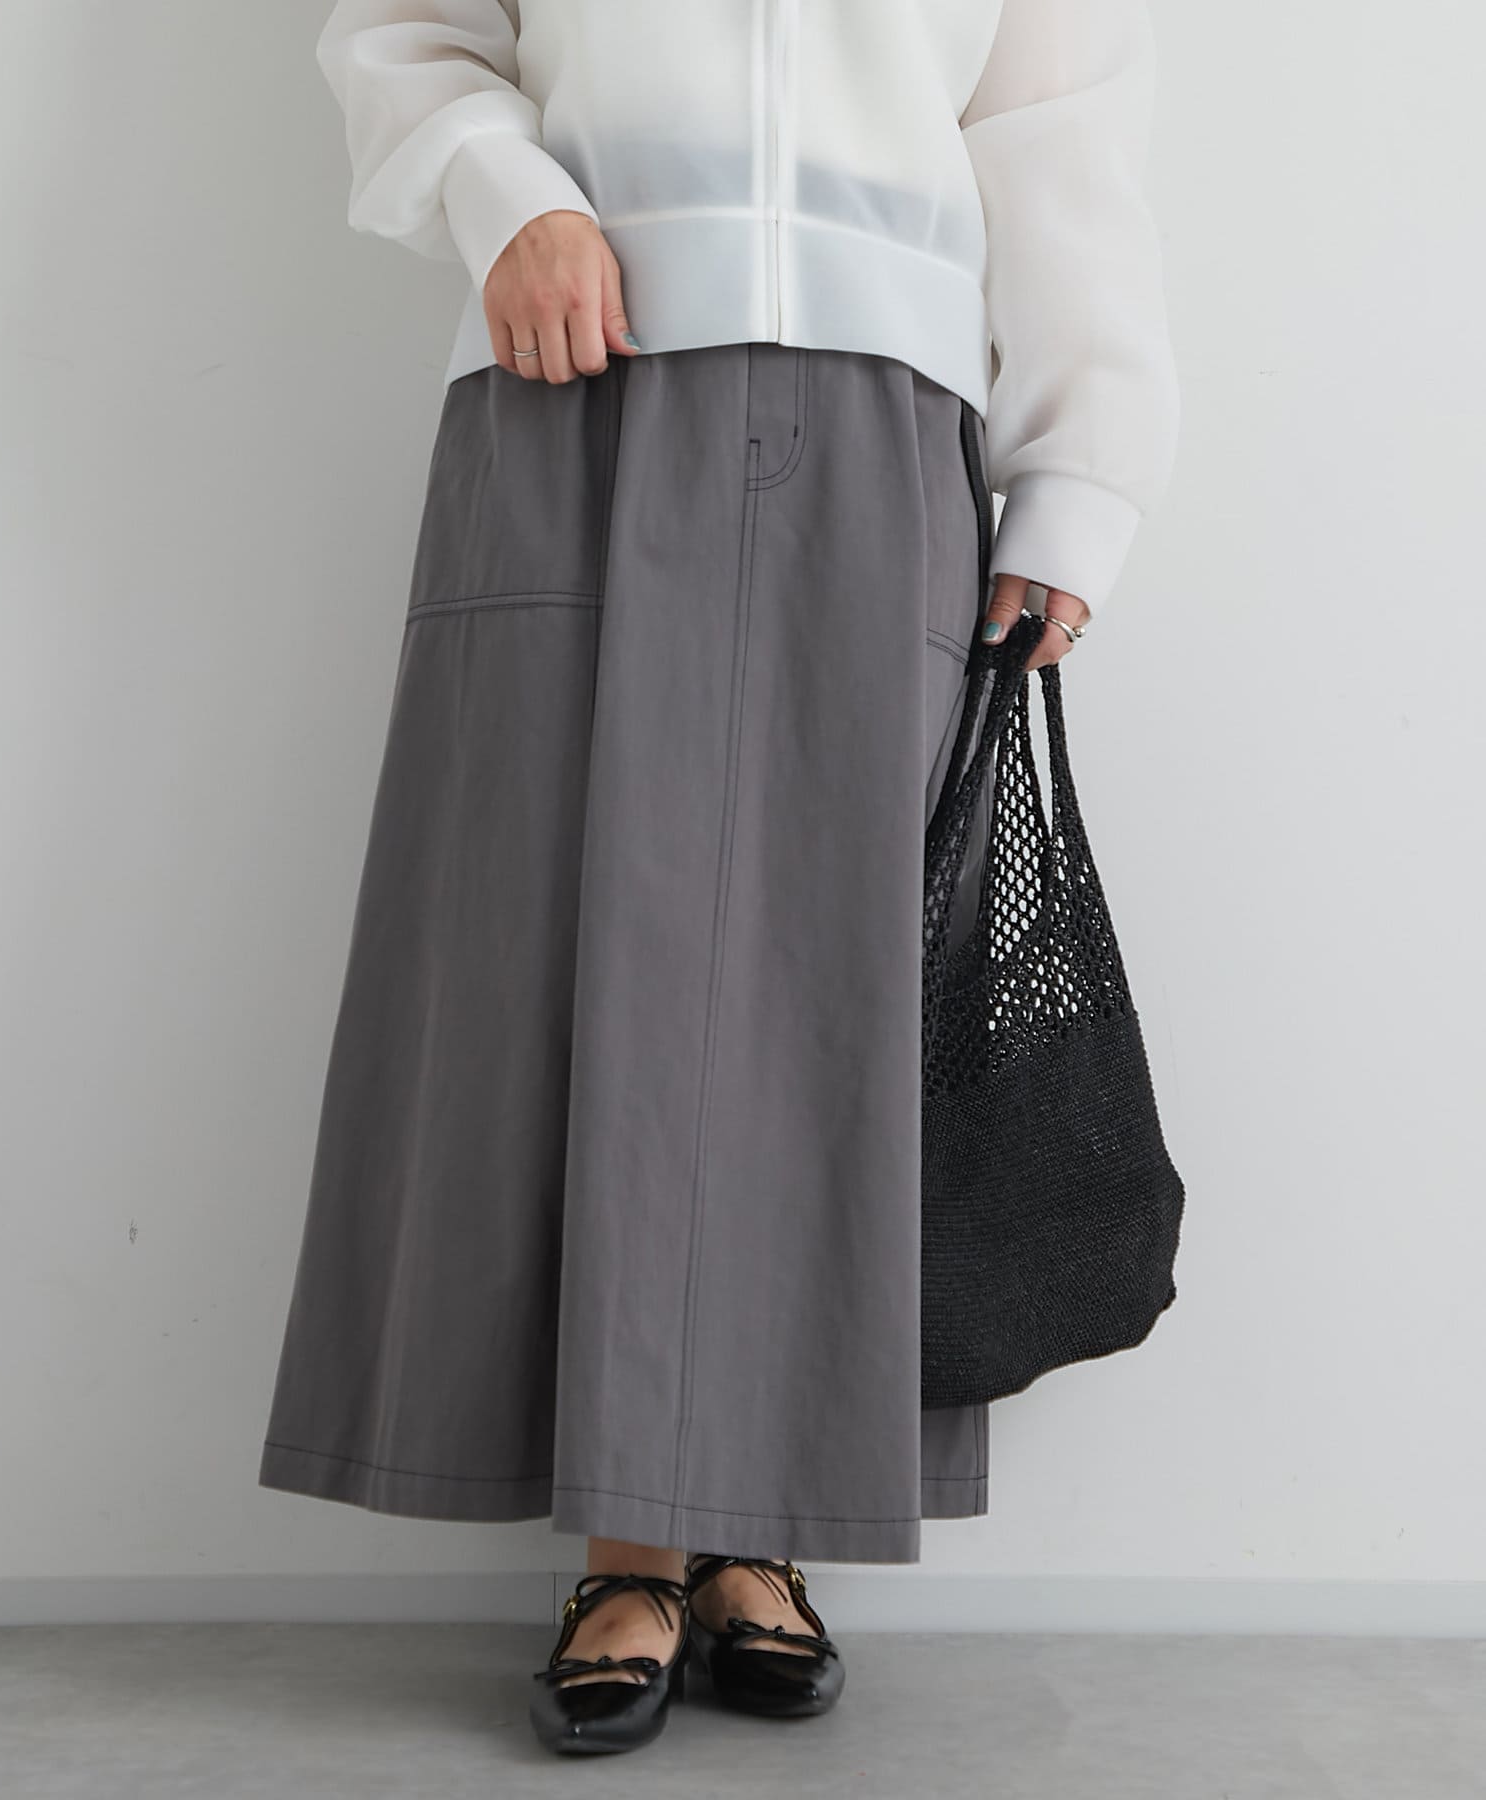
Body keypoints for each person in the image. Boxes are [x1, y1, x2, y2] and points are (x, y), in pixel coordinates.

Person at [258, 0, 1180, 1759]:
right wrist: (505, 193)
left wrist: (1081, 476)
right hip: (574, 378)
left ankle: (756, 1530)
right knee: (560, 959)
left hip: (884, 414)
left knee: (829, 992)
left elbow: (1060, 137)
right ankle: (629, 1549)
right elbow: (403, 28)